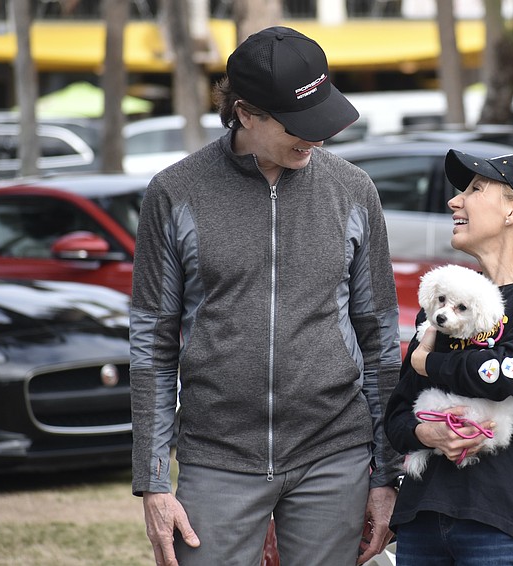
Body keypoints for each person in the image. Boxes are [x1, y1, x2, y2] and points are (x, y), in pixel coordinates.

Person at [130, 26, 403, 566]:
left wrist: (387, 473)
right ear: (245, 114)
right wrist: (154, 480)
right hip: (218, 458)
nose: (316, 138)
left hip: (335, 454)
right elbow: (151, 346)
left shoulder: (354, 191)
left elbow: (379, 339)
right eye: (299, 124)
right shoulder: (175, 192)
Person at [384, 149, 513, 565]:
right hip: (421, 519)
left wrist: (431, 363)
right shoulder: (448, 299)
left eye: (475, 189)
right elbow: (397, 417)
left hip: (499, 523)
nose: (454, 200)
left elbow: (508, 374)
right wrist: (428, 434)